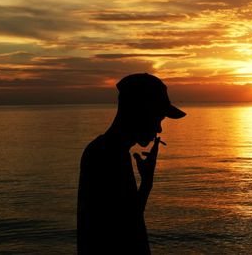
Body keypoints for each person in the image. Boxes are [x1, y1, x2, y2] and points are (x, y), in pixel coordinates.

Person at [77, 73, 186, 254]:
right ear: (141, 111)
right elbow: (120, 231)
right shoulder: (106, 156)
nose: (159, 129)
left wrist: (146, 183)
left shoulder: (110, 152)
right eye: (158, 118)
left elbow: (127, 218)